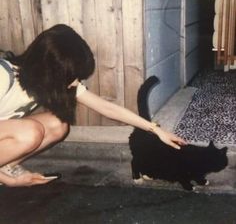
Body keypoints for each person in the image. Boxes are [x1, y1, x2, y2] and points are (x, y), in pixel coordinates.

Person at [0, 24, 186, 187]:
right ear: (49, 71)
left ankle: (7, 166)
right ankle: (5, 176)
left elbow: (107, 108)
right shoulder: (4, 76)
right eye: (71, 77)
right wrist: (12, 182)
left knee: (58, 125)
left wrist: (156, 130)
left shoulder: (44, 81)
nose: (75, 83)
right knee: (31, 132)